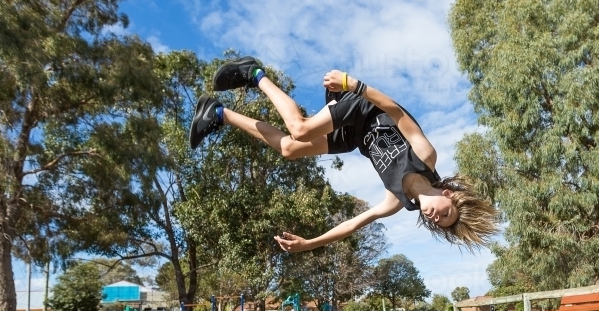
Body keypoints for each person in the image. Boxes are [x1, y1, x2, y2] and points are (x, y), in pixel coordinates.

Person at [189, 56, 498, 252]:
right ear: (448, 193)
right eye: (446, 212)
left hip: (354, 135)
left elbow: (351, 225)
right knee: (299, 129)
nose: (436, 216)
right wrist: (352, 84)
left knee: (288, 148)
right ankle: (253, 72)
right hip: (364, 105)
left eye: (440, 222)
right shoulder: (425, 156)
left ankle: (218, 113)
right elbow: (393, 108)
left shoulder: (396, 201)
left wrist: (309, 243)